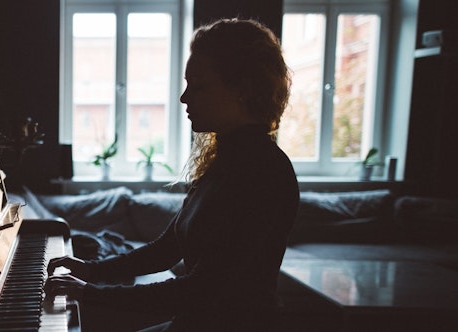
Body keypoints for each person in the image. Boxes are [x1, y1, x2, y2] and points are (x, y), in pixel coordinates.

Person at [44, 18, 299, 331]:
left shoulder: (263, 172)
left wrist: (91, 293)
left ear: (242, 90)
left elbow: (201, 291)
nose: (184, 98)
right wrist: (90, 271)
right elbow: (165, 250)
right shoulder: (224, 163)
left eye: (200, 86)